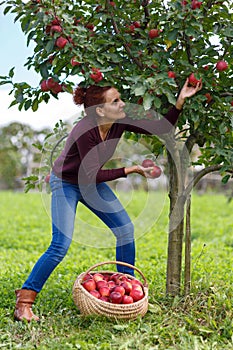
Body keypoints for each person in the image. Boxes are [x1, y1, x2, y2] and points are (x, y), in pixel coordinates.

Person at [14, 78, 202, 322]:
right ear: (99, 110)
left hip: (91, 183)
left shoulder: (118, 122)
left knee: (125, 229)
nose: (122, 104)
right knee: (60, 245)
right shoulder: (85, 130)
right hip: (67, 182)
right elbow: (90, 174)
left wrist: (180, 101)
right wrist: (129, 169)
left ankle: (126, 290)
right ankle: (24, 300)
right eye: (116, 101)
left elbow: (161, 128)